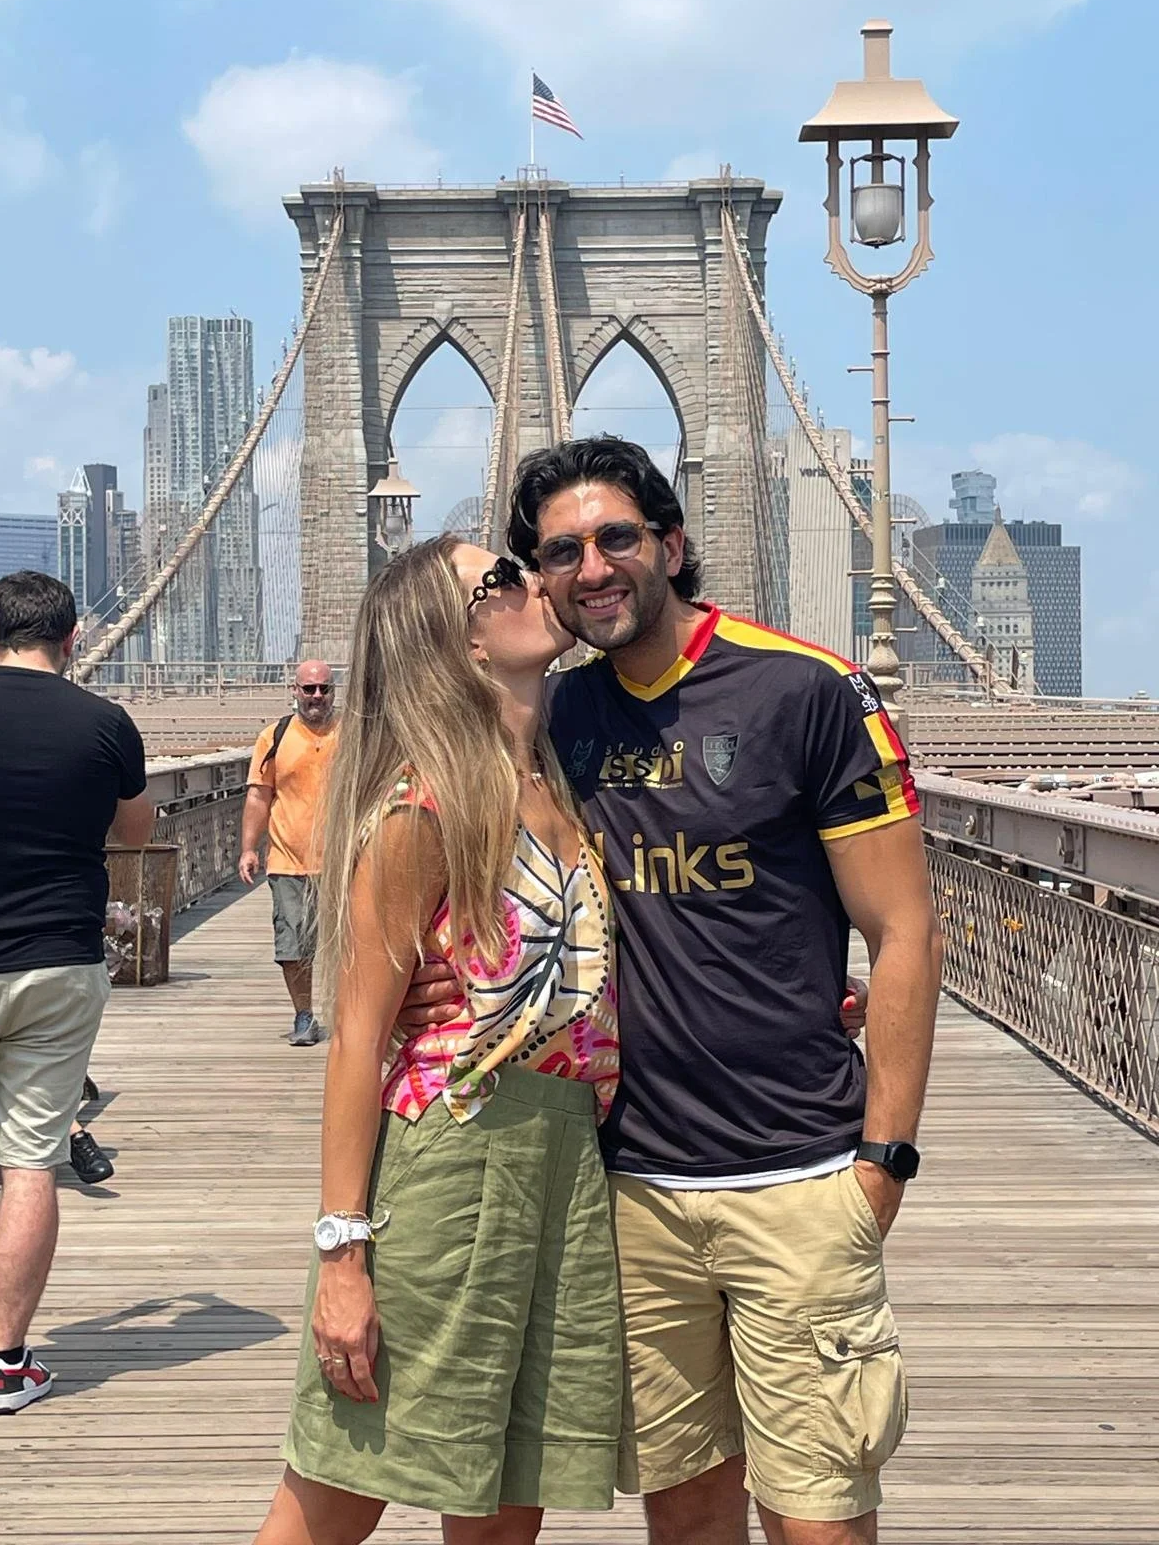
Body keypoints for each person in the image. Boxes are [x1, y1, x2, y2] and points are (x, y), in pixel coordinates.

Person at [404, 436, 943, 1545]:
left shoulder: (809, 691)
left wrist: (882, 1163)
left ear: (672, 543)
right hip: (629, 1186)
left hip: (799, 1172)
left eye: (616, 538)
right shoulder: (555, 719)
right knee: (686, 1514)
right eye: (560, 551)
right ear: (538, 576)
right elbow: (448, 854)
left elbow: (902, 931)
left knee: (818, 1518)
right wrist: (429, 983)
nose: (592, 567)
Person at [255, 538, 622, 1545]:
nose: (530, 580)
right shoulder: (421, 807)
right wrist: (342, 1255)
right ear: (452, 639)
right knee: (336, 1493)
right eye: (499, 576)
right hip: (451, 1160)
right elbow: (357, 1040)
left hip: (564, 1168)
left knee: (509, 1499)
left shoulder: (557, 786)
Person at [0, 571, 152, 1415]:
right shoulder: (106, 724)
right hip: (58, 963)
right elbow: (136, 834)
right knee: (29, 1161)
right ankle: (5, 1369)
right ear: (74, 640)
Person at [240, 660, 340, 1046]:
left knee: (349, 943)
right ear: (294, 691)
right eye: (309, 689)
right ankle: (304, 1014)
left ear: (333, 692)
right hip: (288, 859)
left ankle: (352, 1016)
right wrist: (249, 848)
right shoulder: (274, 737)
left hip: (345, 859)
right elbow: (258, 794)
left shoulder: (353, 733)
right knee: (293, 944)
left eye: (324, 689)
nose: (317, 696)